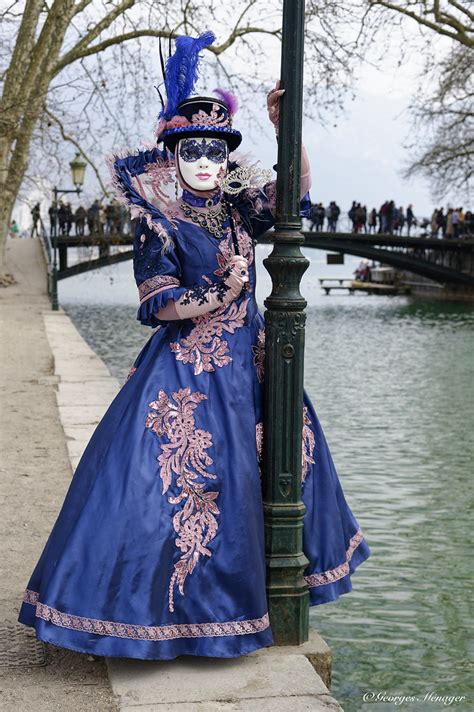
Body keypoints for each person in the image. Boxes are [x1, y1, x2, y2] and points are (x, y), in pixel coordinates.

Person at [18, 32, 370, 660]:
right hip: (186, 374)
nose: (205, 163)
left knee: (277, 465)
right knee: (171, 489)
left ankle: (256, 603)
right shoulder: (160, 220)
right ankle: (162, 620)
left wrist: (286, 128)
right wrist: (219, 292)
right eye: (192, 151)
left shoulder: (238, 210)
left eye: (215, 152)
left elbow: (294, 202)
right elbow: (157, 303)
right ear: (172, 155)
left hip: (252, 367)